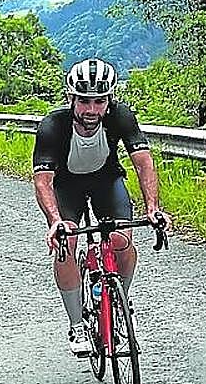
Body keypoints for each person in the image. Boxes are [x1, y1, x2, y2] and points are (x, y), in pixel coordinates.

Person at [32, 58, 173, 355]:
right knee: (66, 242)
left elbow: (143, 162)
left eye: (99, 101)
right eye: (84, 101)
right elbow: (43, 181)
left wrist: (153, 208)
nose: (91, 110)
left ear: (109, 100)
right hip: (67, 187)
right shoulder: (53, 126)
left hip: (106, 182)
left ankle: (120, 295)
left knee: (122, 239)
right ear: (71, 98)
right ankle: (77, 324)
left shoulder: (120, 116)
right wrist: (55, 220)